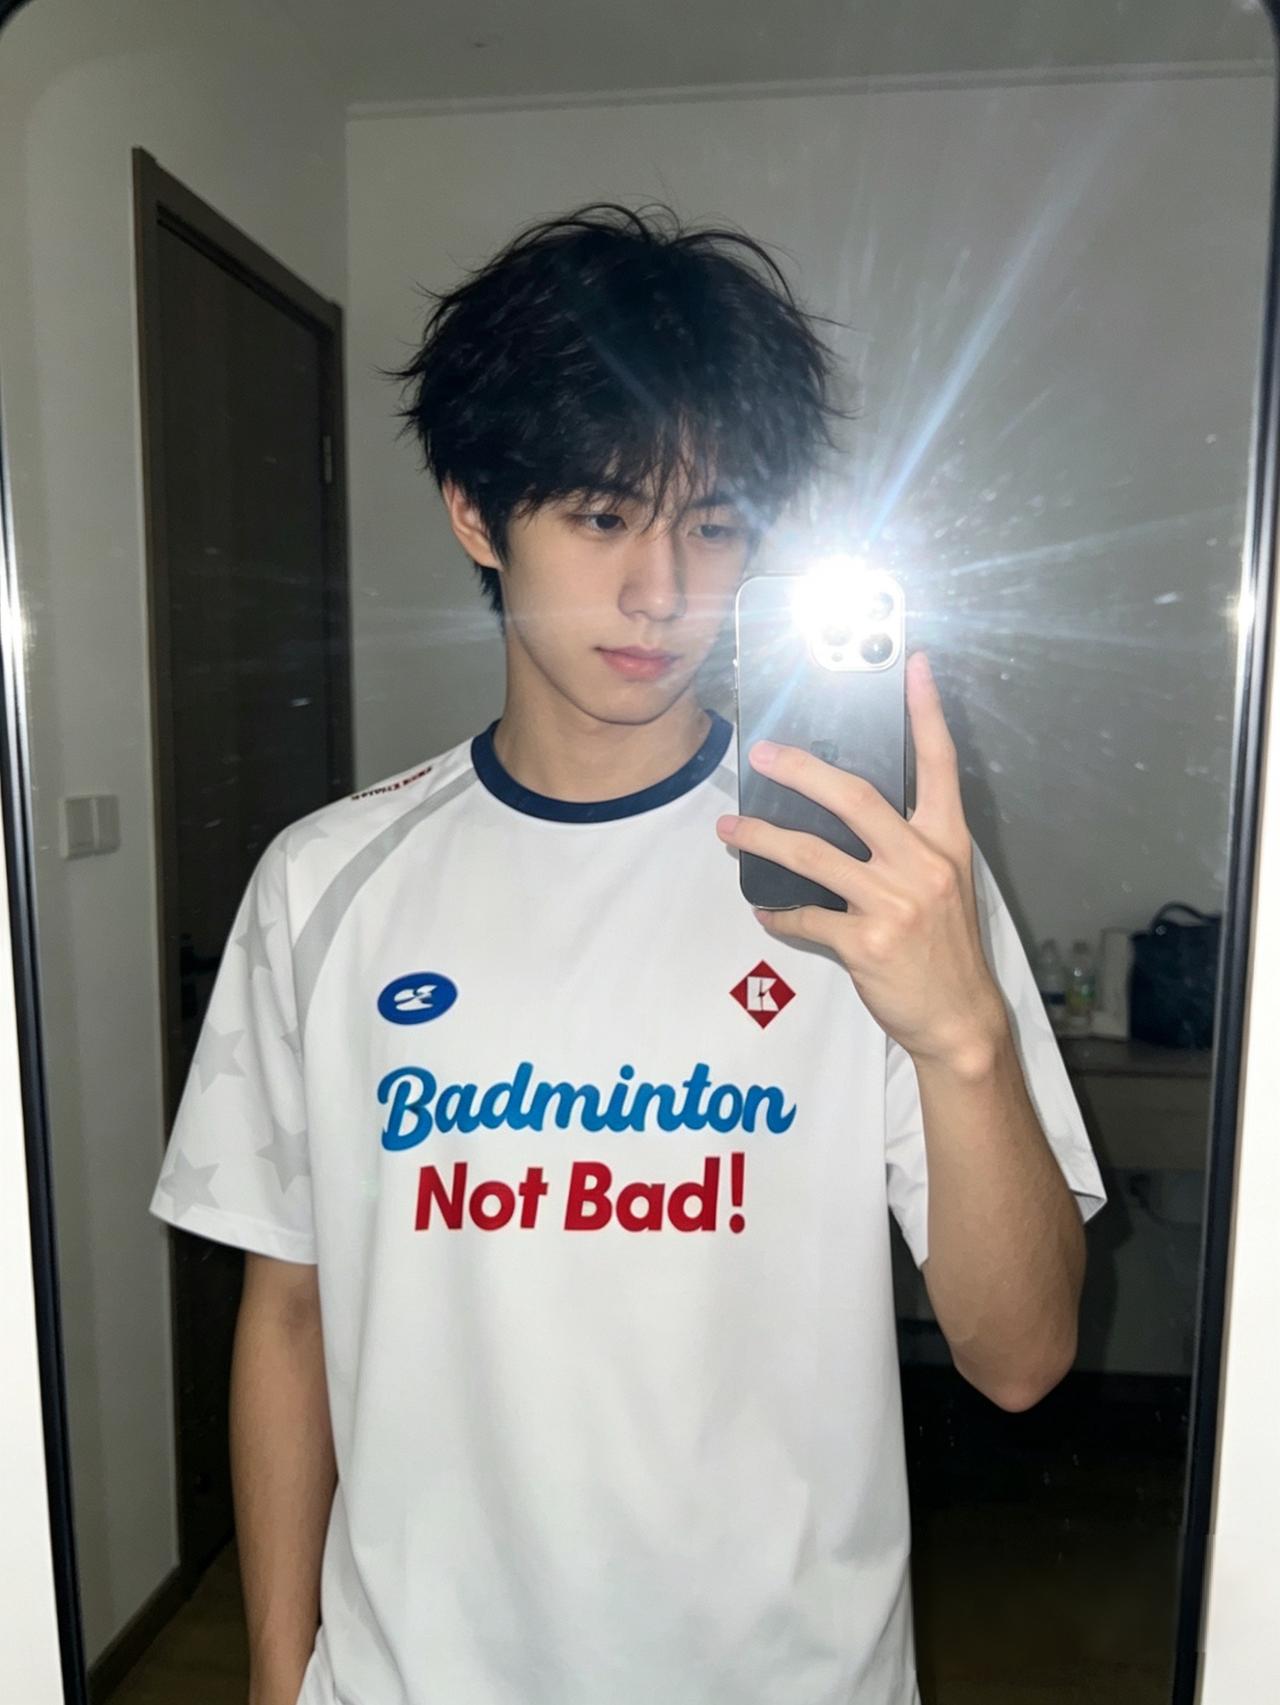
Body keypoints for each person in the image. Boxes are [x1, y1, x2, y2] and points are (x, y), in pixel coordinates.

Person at [151, 204, 1106, 1705]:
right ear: (478, 513)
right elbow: (288, 1308)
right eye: (603, 518)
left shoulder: (879, 876)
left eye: (712, 525)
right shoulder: (324, 884)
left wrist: (962, 1035)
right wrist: (279, 1672)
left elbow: (1024, 1355)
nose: (663, 592)